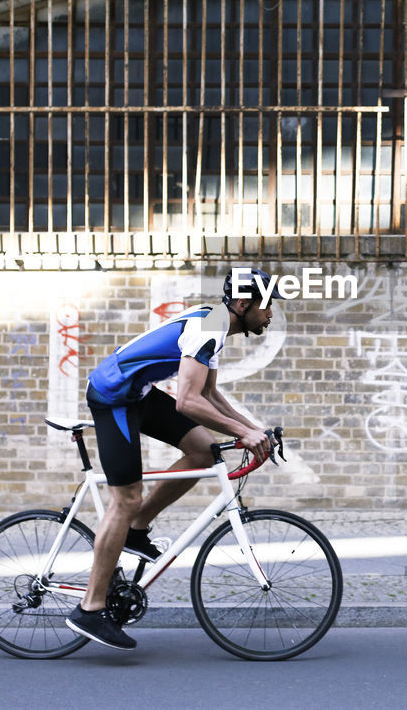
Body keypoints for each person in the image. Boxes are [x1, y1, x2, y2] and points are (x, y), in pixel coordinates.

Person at [65, 268, 279, 650]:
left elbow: (210, 394)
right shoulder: (208, 327)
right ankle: (90, 608)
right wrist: (243, 434)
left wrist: (253, 429)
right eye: (267, 307)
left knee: (202, 449)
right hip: (114, 395)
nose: (271, 315)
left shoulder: (216, 324)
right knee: (125, 497)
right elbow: (187, 401)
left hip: (139, 392)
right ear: (244, 305)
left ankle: (137, 528)